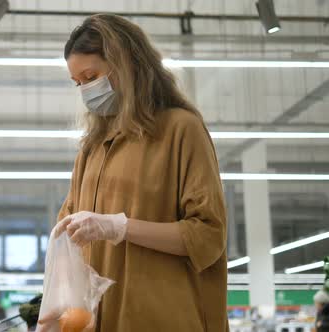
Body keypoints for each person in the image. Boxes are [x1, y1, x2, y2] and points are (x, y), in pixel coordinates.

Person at [38, 14, 228, 332]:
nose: (86, 90)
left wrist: (120, 227)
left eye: (91, 75)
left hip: (164, 320)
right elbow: (66, 240)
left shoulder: (181, 130)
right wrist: (53, 313)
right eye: (78, 83)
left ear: (127, 64)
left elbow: (207, 237)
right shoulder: (92, 149)